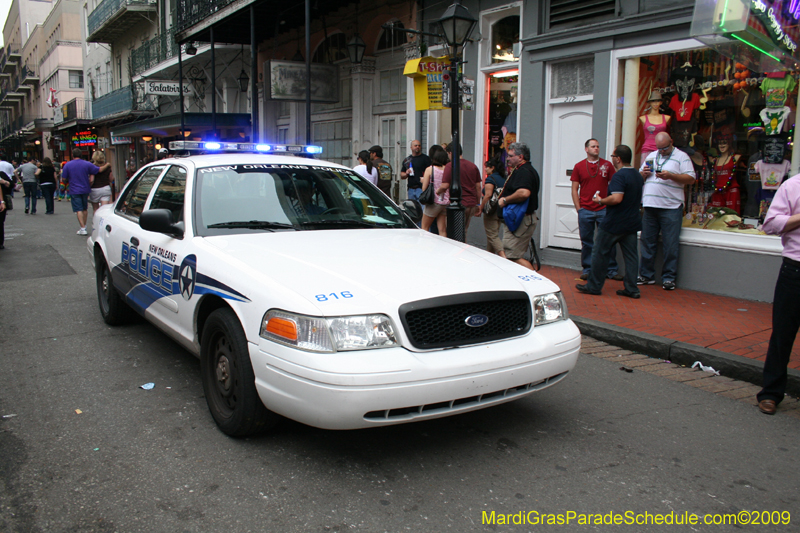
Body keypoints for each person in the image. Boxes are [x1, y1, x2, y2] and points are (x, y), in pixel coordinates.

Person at [755, 173, 800, 415]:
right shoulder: (792, 186)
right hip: (795, 268)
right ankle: (771, 392)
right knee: (783, 333)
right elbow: (770, 224)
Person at [575, 145, 643, 298]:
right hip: (632, 222)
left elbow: (617, 198)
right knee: (631, 257)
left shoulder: (620, 176)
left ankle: (594, 286)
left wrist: (600, 201)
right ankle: (632, 289)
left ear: (618, 158)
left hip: (614, 223)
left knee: (599, 253)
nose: (612, 159)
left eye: (613, 156)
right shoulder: (637, 175)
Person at [638, 132, 696, 290]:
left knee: (670, 245)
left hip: (670, 207)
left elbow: (691, 178)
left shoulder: (681, 156)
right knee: (647, 242)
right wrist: (642, 175)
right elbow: (639, 176)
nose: (662, 151)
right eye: (659, 148)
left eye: (665, 148)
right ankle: (645, 275)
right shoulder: (651, 155)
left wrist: (671, 176)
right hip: (650, 205)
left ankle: (668, 278)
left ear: (672, 142)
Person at [571, 138, 620, 281]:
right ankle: (587, 268)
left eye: (598, 146)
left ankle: (611, 269)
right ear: (586, 149)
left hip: (604, 208)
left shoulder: (607, 165)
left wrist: (610, 204)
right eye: (593, 146)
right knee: (587, 241)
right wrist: (579, 209)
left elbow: (614, 185)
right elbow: (574, 189)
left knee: (608, 239)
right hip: (585, 209)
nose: (596, 149)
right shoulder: (579, 166)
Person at [497, 142, 539, 270]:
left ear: (520, 157)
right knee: (511, 254)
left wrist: (505, 200)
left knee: (512, 256)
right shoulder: (522, 170)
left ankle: (536, 281)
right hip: (517, 220)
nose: (507, 158)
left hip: (520, 220)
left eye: (510, 156)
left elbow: (524, 192)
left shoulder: (524, 171)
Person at [61, 148, 111, 235]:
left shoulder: (67, 165)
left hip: (74, 189)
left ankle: (83, 227)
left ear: (72, 155)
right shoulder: (87, 164)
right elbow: (99, 170)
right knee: (84, 208)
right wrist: (107, 165)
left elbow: (64, 178)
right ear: (81, 155)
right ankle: (85, 226)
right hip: (85, 189)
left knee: (78, 209)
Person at [443, 143, 482, 231]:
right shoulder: (473, 166)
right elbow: (478, 187)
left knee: (453, 231)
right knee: (463, 230)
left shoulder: (450, 166)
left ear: (450, 153)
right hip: (471, 203)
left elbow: (445, 185)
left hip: (457, 203)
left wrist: (438, 191)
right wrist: (478, 203)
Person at [480, 156, 506, 257]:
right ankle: (490, 256)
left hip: (491, 210)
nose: (486, 169)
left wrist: (481, 207)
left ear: (493, 167)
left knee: (492, 235)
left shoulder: (490, 179)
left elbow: (488, 195)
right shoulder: (503, 178)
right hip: (500, 209)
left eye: (487, 167)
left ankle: (503, 257)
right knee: (492, 234)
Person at [420, 146, 450, 235]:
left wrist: (423, 180)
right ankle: (443, 247)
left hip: (434, 201)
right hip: (445, 201)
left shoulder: (430, 169)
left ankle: (425, 245)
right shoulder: (447, 169)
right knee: (442, 229)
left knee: (425, 227)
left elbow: (424, 188)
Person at [638, 92, 670, 165]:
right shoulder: (643, 118)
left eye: (658, 101)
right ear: (650, 103)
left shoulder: (666, 118)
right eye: (653, 101)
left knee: (661, 172)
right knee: (648, 171)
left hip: (662, 150)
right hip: (648, 150)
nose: (655, 103)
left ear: (661, 102)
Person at [0, 167, 13, 249]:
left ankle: (0, 242)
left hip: (2, 200)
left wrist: (2, 202)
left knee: (0, 222)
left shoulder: (1, 174)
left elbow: (11, 184)